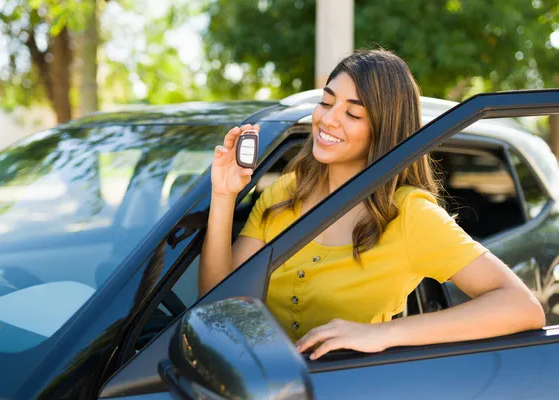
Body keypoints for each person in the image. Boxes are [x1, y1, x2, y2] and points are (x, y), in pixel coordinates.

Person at [198, 49, 545, 360]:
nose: (329, 119)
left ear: (384, 129)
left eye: (353, 114)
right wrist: (224, 196)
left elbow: (522, 307)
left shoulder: (410, 215)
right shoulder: (286, 192)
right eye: (327, 101)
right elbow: (217, 305)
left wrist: (381, 335)